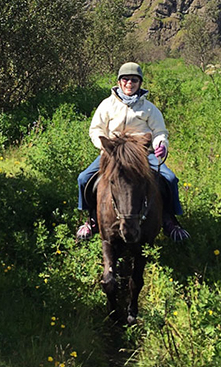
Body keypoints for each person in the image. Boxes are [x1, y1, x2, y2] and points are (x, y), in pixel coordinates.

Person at [76, 62, 189, 242]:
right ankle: (90, 220)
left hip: (142, 154)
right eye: (126, 79)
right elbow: (96, 129)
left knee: (169, 178)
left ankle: (169, 219)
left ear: (140, 83)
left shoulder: (149, 108)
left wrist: (161, 144)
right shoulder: (107, 105)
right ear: (119, 82)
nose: (130, 83)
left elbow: (160, 131)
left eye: (134, 80)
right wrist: (104, 146)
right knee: (84, 179)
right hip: (113, 153)